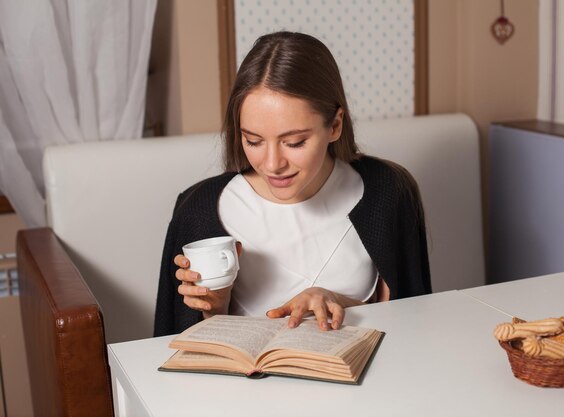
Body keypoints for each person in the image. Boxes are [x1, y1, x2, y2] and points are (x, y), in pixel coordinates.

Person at [153, 31, 431, 337]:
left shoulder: (387, 193)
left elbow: (409, 326)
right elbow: (175, 349)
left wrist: (336, 302)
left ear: (335, 125)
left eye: (295, 142)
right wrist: (214, 310)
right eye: (253, 140)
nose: (273, 164)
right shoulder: (199, 211)